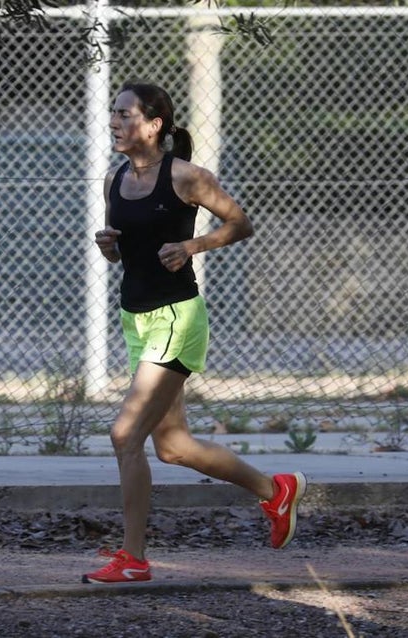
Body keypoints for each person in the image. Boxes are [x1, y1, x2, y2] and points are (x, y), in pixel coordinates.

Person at [85, 81, 306, 583]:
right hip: (136, 317)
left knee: (125, 434)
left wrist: (192, 245)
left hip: (177, 317)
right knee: (173, 447)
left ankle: (133, 559)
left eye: (125, 114)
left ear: (154, 124)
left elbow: (240, 223)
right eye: (113, 115)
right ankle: (276, 492)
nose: (115, 122)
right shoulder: (114, 180)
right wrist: (108, 246)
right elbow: (123, 248)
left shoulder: (186, 177)